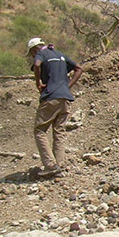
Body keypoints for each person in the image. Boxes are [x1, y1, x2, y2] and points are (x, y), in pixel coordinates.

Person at [25, 37, 83, 177]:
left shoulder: (41, 54)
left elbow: (37, 65)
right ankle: (60, 164)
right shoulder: (59, 54)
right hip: (65, 99)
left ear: (34, 49)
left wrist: (38, 83)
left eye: (32, 54)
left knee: (39, 130)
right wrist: (66, 87)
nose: (33, 56)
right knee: (59, 131)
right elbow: (79, 69)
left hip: (51, 97)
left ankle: (50, 165)